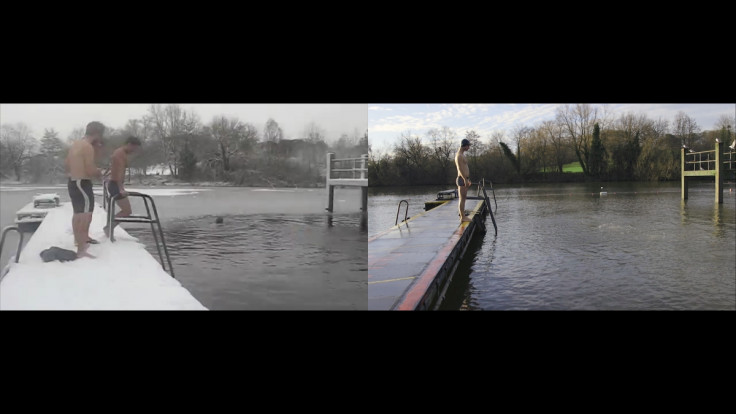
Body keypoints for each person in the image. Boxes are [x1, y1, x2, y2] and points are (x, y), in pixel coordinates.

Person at [66, 121, 105, 258]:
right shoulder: (88, 147)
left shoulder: (76, 144)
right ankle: (81, 250)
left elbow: (68, 164)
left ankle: (79, 241)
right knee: (86, 214)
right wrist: (99, 172)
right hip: (83, 183)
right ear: (97, 134)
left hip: (73, 181)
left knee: (77, 213)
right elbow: (90, 169)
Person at [104, 136, 142, 237]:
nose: (134, 151)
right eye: (134, 148)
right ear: (129, 144)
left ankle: (109, 227)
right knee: (127, 211)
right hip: (115, 185)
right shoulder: (120, 154)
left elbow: (114, 169)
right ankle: (108, 228)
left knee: (126, 211)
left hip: (114, 183)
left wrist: (109, 177)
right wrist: (121, 188)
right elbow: (119, 173)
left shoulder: (118, 152)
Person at [455, 138, 472, 223]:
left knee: (463, 198)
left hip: (465, 179)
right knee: (462, 199)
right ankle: (463, 217)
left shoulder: (462, 155)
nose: (468, 148)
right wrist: (465, 179)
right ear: (464, 145)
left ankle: (463, 216)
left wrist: (467, 179)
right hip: (462, 179)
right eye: (468, 146)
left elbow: (465, 168)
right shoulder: (459, 155)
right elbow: (460, 168)